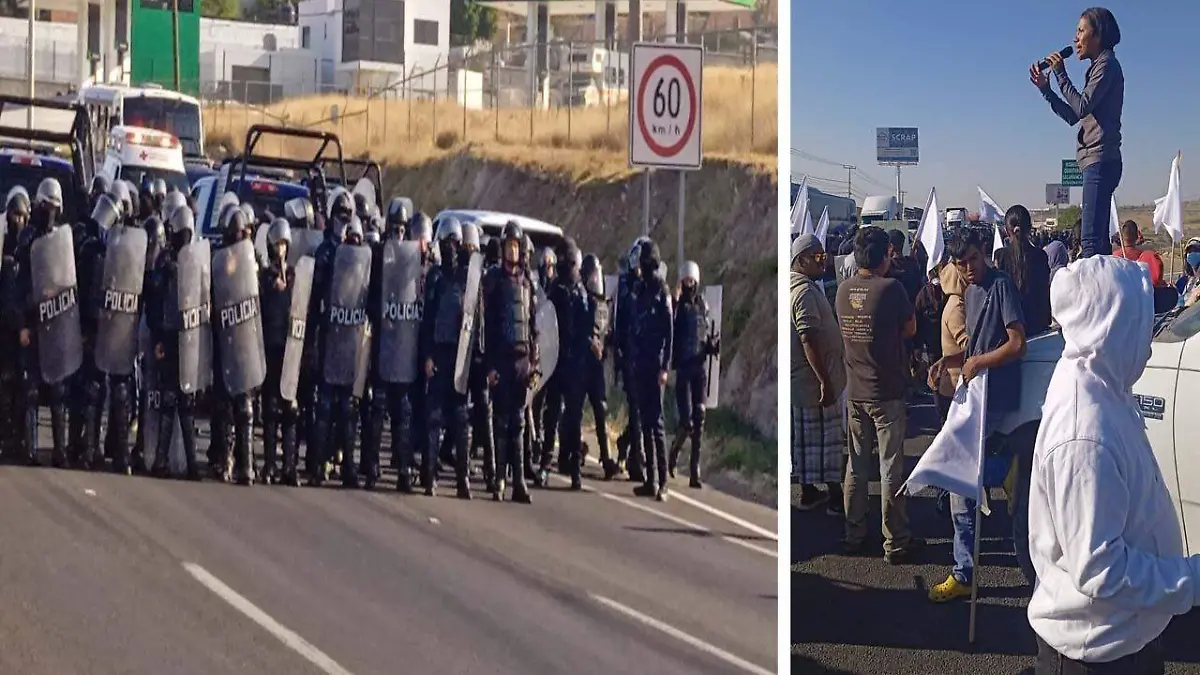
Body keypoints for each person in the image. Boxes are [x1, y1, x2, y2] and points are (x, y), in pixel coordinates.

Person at [1028, 255, 1200, 674]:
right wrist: (1189, 580)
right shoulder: (1082, 432)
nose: (1148, 342)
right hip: (1097, 653)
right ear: (1111, 327)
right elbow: (1099, 569)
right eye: (1140, 324)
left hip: (1124, 634)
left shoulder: (1101, 382)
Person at [928, 228, 1028, 602]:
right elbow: (975, 346)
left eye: (972, 259)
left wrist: (979, 362)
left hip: (997, 396)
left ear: (983, 252)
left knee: (959, 476)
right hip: (976, 396)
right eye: (961, 263)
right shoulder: (969, 292)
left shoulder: (1001, 286)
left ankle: (964, 571)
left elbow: (1017, 344)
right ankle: (964, 569)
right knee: (960, 478)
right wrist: (948, 360)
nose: (969, 268)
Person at [836, 226, 918, 562]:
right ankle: (894, 541)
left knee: (856, 466)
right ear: (885, 256)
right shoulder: (891, 289)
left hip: (855, 390)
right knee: (890, 468)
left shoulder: (843, 290)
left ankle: (853, 532)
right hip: (886, 392)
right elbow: (910, 328)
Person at [1031, 7, 1123, 258]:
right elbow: (1074, 116)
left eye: (1081, 31)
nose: (1075, 38)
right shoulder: (1098, 68)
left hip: (1100, 159)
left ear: (1098, 34)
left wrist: (1061, 73)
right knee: (1098, 243)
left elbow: (1082, 106)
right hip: (1096, 160)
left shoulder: (1107, 65)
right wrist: (1046, 90)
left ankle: (1094, 284)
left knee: (1090, 242)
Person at [144, 204, 203, 481]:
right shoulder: (165, 263)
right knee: (170, 399)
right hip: (169, 337)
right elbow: (155, 303)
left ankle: (192, 464)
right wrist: (158, 338)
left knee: (186, 402)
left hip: (189, 337)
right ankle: (161, 460)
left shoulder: (196, 263)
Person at [16, 179, 72, 468]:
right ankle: (31, 450)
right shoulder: (27, 239)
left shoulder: (61, 239)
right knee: (32, 390)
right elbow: (19, 285)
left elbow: (68, 281)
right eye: (46, 206)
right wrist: (23, 324)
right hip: (34, 320)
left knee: (58, 389)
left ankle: (60, 451)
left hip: (56, 322)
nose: (50, 212)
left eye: (55, 207)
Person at [482, 221, 537, 504]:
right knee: (501, 423)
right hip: (501, 362)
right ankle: (499, 479)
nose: (512, 251)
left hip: (522, 362)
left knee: (519, 424)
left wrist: (535, 365)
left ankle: (519, 482)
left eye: (516, 246)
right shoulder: (493, 281)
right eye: (508, 246)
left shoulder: (528, 283)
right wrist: (489, 366)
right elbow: (485, 327)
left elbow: (534, 326)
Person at [791, 235, 846, 512]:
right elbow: (808, 339)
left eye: (823, 256)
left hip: (810, 382)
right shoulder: (803, 293)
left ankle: (809, 492)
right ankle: (834, 497)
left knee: (810, 441)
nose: (823, 261)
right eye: (817, 257)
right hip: (814, 383)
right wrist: (825, 381)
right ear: (800, 260)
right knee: (827, 443)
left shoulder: (804, 287)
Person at [422, 217, 474, 499]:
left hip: (460, 354)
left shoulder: (468, 278)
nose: (449, 247)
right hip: (440, 353)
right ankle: (430, 477)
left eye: (453, 242)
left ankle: (462, 480)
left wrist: (475, 359)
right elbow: (428, 319)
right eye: (446, 242)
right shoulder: (435, 277)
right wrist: (428, 355)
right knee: (433, 419)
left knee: (461, 420)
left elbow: (475, 321)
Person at [667, 260, 717, 490]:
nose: (689, 284)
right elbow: (668, 326)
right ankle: (673, 454)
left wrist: (711, 346)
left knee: (700, 419)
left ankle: (695, 471)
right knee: (686, 422)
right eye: (685, 280)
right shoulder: (677, 306)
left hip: (699, 369)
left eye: (691, 280)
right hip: (684, 370)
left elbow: (705, 334)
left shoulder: (701, 306)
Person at [630, 240, 674, 502]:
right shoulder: (640, 288)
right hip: (641, 362)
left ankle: (663, 481)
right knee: (645, 422)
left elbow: (669, 332)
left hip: (656, 364)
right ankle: (650, 479)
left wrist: (665, 366)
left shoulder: (661, 290)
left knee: (656, 424)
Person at [258, 218, 300, 486]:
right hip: (270, 345)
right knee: (271, 407)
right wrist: (273, 284)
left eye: (284, 245)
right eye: (277, 245)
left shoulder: (294, 275)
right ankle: (271, 463)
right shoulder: (265, 277)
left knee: (290, 408)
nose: (281, 249)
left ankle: (290, 465)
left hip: (289, 347)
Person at [0, 188, 30, 463]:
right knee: (5, 383)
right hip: (5, 327)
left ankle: (19, 440)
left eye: (22, 215)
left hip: (25, 329)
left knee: (23, 386)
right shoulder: (3, 246)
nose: (17, 220)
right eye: (14, 215)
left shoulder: (31, 247)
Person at [995, 206, 1051, 335]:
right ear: (1030, 228)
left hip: (1011, 330)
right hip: (1038, 326)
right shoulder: (1041, 255)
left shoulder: (1000, 256)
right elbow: (1044, 290)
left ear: (1006, 230)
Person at [930, 261, 969, 424]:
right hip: (954, 385)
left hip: (955, 383)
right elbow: (968, 345)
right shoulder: (957, 307)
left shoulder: (958, 302)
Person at [1110, 220, 1166, 287]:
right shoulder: (1149, 258)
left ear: (1121, 237)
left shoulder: (1112, 257)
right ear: (1137, 237)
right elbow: (1156, 281)